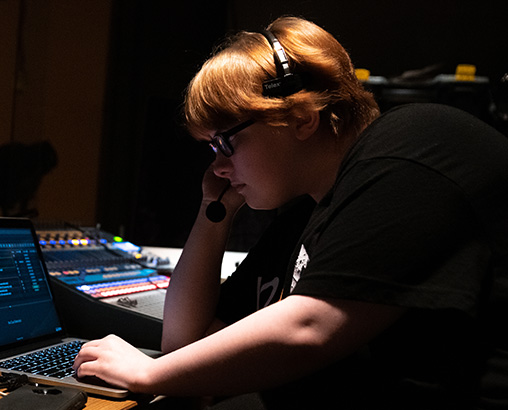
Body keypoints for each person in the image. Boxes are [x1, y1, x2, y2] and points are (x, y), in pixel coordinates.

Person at [73, 16, 508, 409]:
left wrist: (148, 374)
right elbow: (184, 339)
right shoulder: (309, 211)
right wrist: (212, 213)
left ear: (301, 117)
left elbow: (309, 328)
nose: (217, 166)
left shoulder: (413, 146)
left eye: (226, 143)